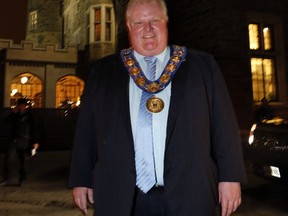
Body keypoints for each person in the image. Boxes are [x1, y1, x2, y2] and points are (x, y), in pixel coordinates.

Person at [69, 0, 246, 215]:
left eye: (154, 20)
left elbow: (224, 126)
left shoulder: (202, 66)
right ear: (128, 26)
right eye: (139, 22)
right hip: (121, 196)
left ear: (166, 22)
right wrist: (81, 178)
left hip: (189, 193)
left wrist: (230, 177)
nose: (148, 29)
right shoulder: (103, 72)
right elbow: (86, 131)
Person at [0, 98, 39, 186]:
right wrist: (13, 113)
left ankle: (22, 179)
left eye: (22, 105)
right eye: (19, 105)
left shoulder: (30, 116)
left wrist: (35, 141)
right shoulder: (16, 115)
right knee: (8, 159)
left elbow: (34, 128)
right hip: (15, 139)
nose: (21, 107)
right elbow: (5, 121)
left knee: (23, 161)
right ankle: (6, 178)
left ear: (25, 106)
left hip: (25, 140)